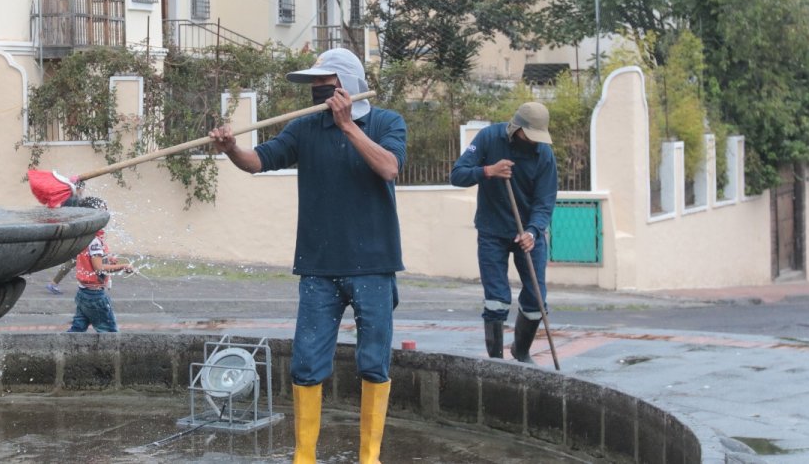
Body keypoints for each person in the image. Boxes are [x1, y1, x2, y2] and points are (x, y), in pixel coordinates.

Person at [208, 48, 405, 464]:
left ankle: (370, 457)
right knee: (307, 363)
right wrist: (230, 149)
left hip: (374, 265)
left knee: (374, 361)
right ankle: (304, 456)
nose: (316, 89)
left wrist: (348, 126)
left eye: (324, 82)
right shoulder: (304, 129)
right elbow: (257, 161)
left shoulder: (387, 123)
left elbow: (389, 168)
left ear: (347, 85)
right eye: (314, 83)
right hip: (318, 267)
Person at [450, 102, 557, 363]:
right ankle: (496, 361)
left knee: (536, 299)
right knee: (497, 298)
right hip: (492, 231)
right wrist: (488, 171)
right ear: (515, 128)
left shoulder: (544, 154)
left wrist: (532, 231)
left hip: (528, 235)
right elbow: (457, 174)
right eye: (529, 136)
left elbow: (545, 201)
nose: (533, 142)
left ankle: (521, 351)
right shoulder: (489, 138)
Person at [66, 195, 133, 333]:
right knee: (109, 333)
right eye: (102, 212)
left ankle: (61, 351)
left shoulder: (85, 236)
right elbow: (99, 269)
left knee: (77, 330)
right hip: (95, 296)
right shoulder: (95, 241)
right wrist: (123, 266)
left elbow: (91, 261)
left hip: (83, 292)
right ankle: (111, 355)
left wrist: (108, 259)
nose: (106, 216)